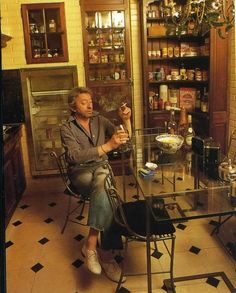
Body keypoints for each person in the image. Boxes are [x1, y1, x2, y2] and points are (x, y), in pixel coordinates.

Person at [60, 87, 131, 283]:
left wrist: (125, 120)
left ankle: (91, 246)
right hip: (80, 173)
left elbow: (125, 143)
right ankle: (106, 256)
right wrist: (107, 146)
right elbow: (73, 156)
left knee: (104, 187)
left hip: (100, 168)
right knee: (108, 188)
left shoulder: (100, 120)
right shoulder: (66, 127)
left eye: (90, 101)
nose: (90, 105)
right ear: (73, 106)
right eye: (84, 102)